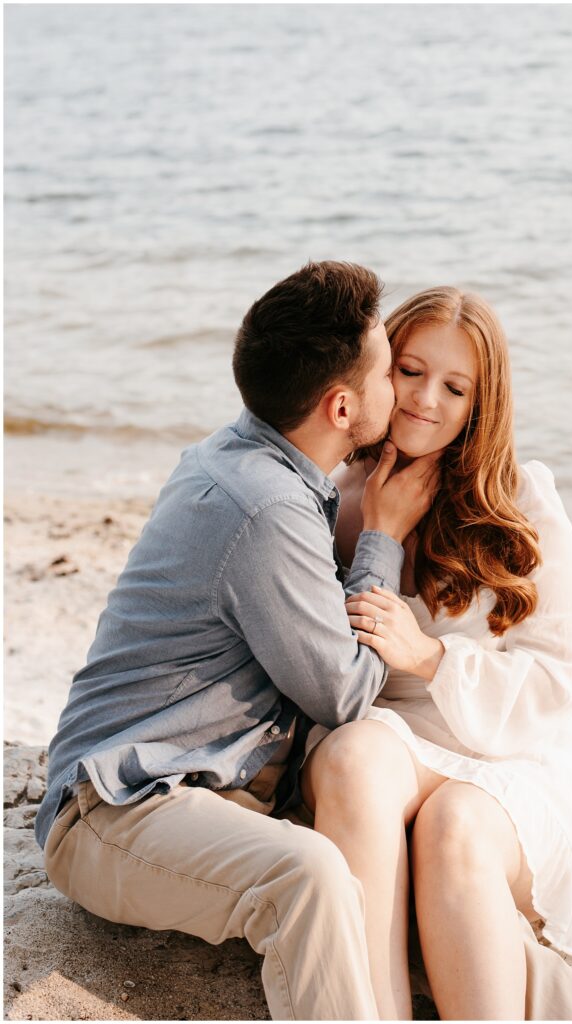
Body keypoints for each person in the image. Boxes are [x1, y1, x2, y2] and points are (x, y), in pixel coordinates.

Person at [35, 260, 440, 1021]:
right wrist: (381, 537)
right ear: (343, 405)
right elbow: (344, 692)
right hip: (116, 809)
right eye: (392, 370)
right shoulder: (265, 506)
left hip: (180, 788)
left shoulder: (250, 458)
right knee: (308, 874)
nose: (408, 393)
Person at [301, 286, 572, 1020]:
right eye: (409, 370)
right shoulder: (336, 494)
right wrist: (376, 526)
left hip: (510, 760)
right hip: (393, 746)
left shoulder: (521, 503)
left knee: (455, 824)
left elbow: (553, 683)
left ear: (482, 402)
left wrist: (430, 659)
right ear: (376, 367)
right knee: (350, 754)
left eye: (454, 386)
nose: (424, 401)